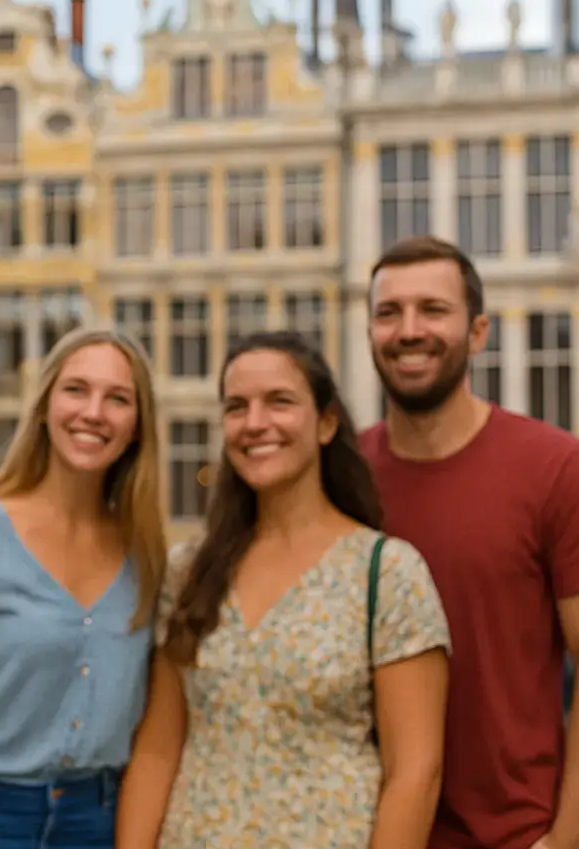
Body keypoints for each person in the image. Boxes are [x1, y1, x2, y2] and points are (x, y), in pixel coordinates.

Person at [117, 331, 451, 849]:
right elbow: (159, 749)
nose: (255, 423)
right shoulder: (190, 572)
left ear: (326, 422)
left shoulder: (386, 574)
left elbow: (416, 772)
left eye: (280, 402)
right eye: (236, 406)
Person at [359, 236, 579, 849]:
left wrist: (567, 839)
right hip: (363, 831)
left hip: (509, 835)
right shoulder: (342, 474)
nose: (408, 330)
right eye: (388, 312)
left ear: (477, 332)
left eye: (432, 309)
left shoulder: (555, 467)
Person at [0, 327, 168, 849]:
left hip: (97, 824)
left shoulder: (148, 557)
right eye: (76, 389)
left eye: (118, 398)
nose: (94, 412)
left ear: (138, 425)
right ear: (45, 406)